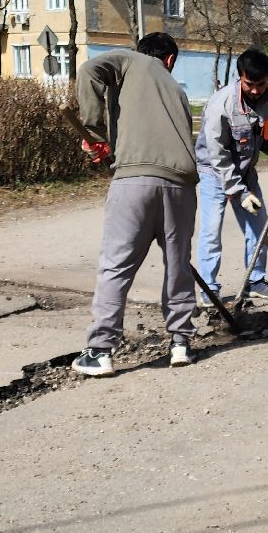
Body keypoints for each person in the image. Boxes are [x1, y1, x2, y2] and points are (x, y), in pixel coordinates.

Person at [72, 32, 200, 378]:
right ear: (170, 60)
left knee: (117, 264)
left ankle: (99, 351)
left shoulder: (128, 61)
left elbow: (88, 71)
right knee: (178, 265)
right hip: (182, 186)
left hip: (135, 182)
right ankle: (180, 343)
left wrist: (94, 133)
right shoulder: (177, 91)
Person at [195, 48, 268, 302]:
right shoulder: (222, 104)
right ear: (240, 77)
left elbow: (267, 138)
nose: (255, 90)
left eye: (260, 84)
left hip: (246, 172)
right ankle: (209, 289)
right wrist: (238, 193)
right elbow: (218, 156)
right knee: (211, 232)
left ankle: (256, 280)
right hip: (214, 174)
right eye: (250, 84)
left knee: (258, 227)